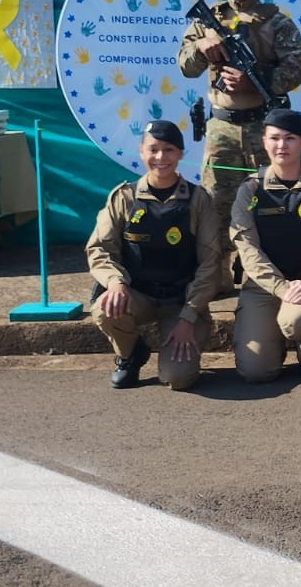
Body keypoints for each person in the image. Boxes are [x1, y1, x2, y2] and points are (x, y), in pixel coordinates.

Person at [175, 0, 301, 289]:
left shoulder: (277, 22)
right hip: (221, 126)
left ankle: (260, 273)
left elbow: (297, 68)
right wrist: (202, 47)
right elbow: (186, 66)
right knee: (215, 202)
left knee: (270, 200)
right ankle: (216, 272)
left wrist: (256, 79)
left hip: (264, 125)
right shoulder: (207, 22)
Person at [86, 120, 221, 390]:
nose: (161, 158)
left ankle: (177, 345)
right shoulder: (124, 197)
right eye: (153, 149)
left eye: (169, 150)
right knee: (105, 308)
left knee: (178, 378)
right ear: (141, 151)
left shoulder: (198, 200)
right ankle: (130, 354)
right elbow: (100, 248)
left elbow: (210, 263)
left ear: (181, 154)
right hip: (138, 296)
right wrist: (115, 282)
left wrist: (189, 316)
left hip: (181, 300)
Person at [230, 108, 301, 382]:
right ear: (264, 141)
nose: (282, 145)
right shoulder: (249, 189)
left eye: (290, 138)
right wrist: (283, 289)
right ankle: (274, 340)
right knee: (256, 372)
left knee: (297, 322)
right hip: (264, 289)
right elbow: (247, 250)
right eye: (275, 138)